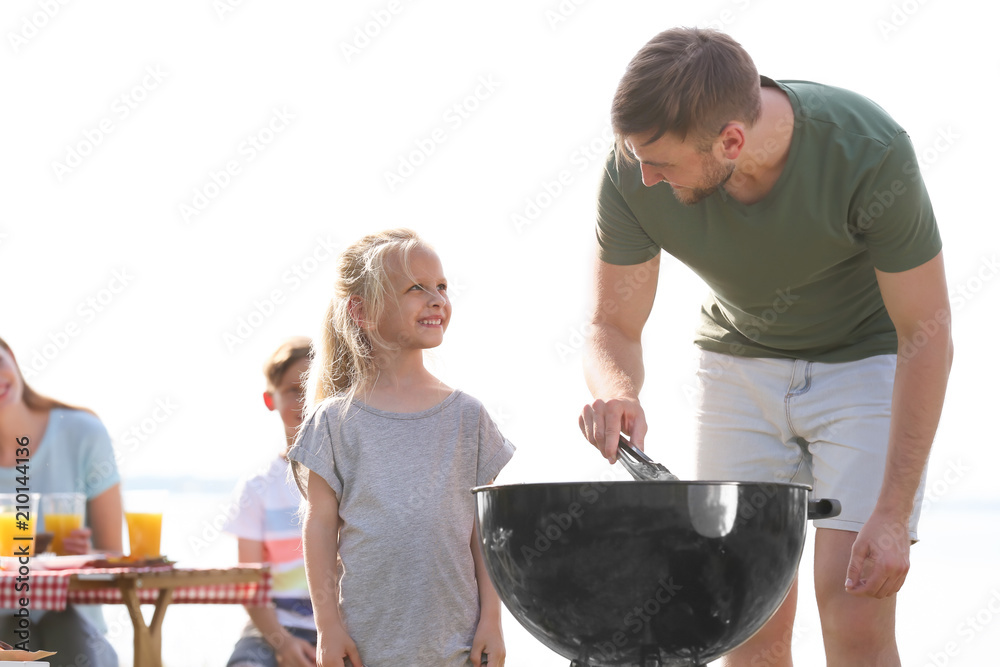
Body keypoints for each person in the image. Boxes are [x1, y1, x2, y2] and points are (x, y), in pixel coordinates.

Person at [577, 28, 952, 666]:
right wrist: (617, 389)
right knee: (741, 615)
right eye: (637, 156)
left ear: (730, 140)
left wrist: (891, 513)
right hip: (735, 367)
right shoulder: (633, 168)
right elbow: (611, 325)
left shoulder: (867, 149)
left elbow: (926, 332)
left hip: (864, 364)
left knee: (854, 606)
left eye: (661, 162)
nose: (644, 175)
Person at [287, 228, 514, 667]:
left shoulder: (468, 417)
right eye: (416, 288)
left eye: (442, 287)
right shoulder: (333, 422)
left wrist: (493, 620)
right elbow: (318, 531)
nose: (436, 299)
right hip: (365, 649)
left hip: (457, 648)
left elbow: (483, 534)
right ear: (363, 311)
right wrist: (327, 628)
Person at [0, 336, 122, 666]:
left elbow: (115, 557)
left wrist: (85, 558)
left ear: (10, 355)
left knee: (60, 627)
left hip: (77, 635)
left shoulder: (83, 434)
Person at [223, 336, 317, 667]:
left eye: (313, 387)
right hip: (273, 629)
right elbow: (249, 585)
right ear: (270, 400)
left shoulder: (353, 479)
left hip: (343, 628)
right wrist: (283, 643)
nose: (304, 399)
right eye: (293, 390)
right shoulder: (257, 487)